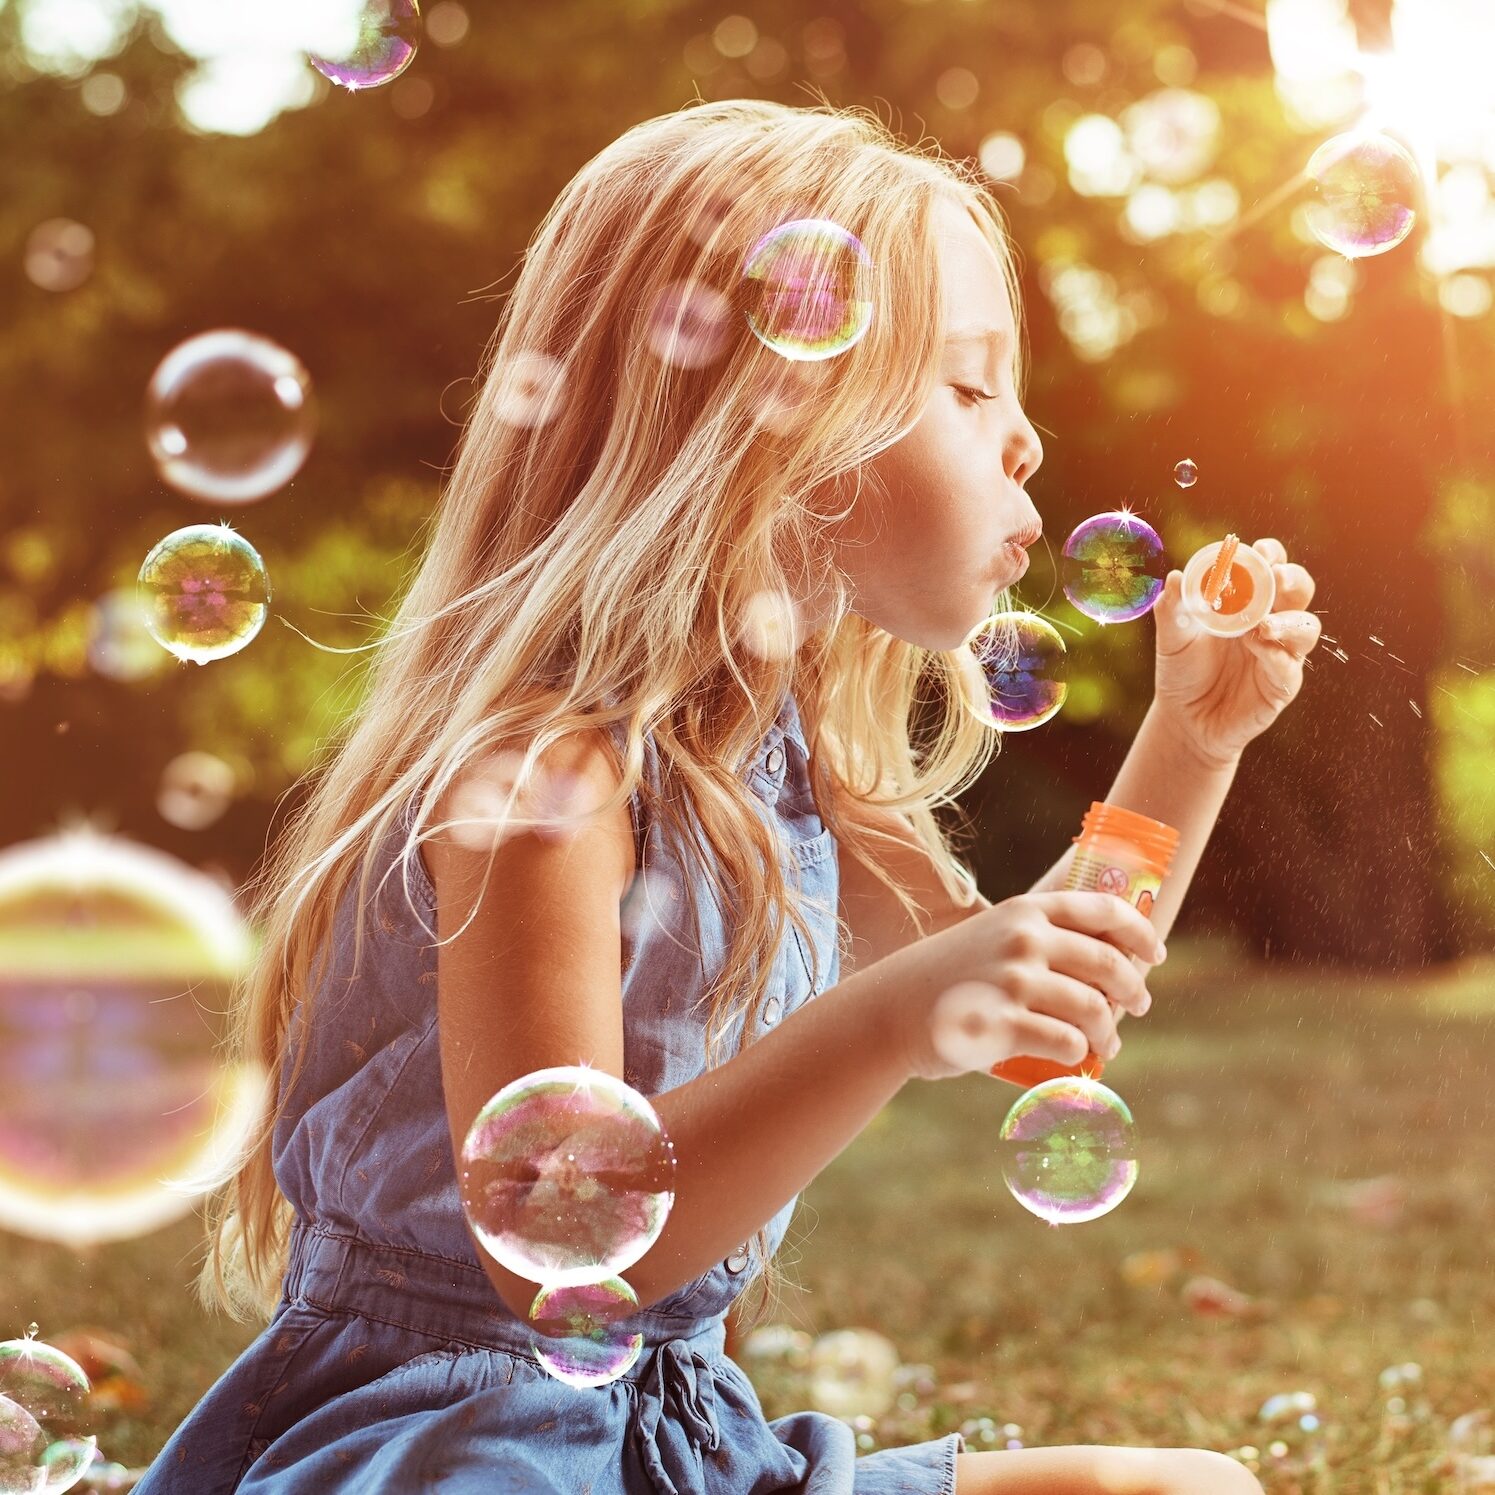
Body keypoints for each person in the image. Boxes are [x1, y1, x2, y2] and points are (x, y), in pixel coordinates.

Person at [135, 97, 1318, 1494]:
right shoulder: (545, 785)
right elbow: (555, 1241)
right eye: (966, 384)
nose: (1026, 446)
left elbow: (1040, 1033)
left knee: (1195, 1492)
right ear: (772, 431)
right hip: (456, 1447)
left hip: (677, 1435)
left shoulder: (802, 781)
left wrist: (1193, 741)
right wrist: (889, 1020)